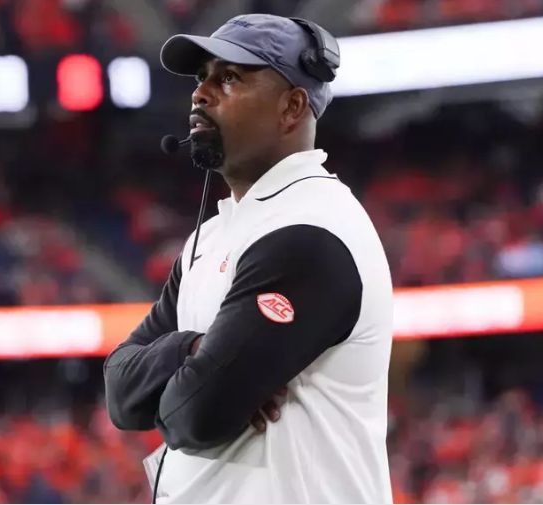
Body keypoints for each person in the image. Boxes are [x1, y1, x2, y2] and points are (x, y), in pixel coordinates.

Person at [104, 13, 394, 503]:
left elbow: (194, 415)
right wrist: (193, 350)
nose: (201, 94)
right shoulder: (212, 236)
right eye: (202, 78)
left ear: (291, 107)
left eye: (230, 77)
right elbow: (119, 391)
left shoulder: (311, 230)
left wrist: (187, 375)